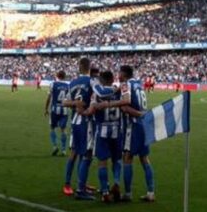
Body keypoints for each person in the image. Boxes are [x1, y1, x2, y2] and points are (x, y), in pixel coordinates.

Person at [93, 65, 152, 202]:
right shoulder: (139, 84)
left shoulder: (125, 85)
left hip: (132, 125)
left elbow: (125, 106)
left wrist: (107, 104)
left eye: (119, 73)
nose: (118, 75)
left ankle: (126, 193)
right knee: (144, 158)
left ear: (123, 74)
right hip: (144, 125)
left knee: (126, 158)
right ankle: (151, 191)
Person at [82, 70, 123, 203]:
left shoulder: (97, 93)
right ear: (112, 79)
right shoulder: (119, 91)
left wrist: (82, 112)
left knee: (102, 162)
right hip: (117, 129)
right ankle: (116, 182)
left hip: (102, 131)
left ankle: (105, 191)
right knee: (117, 160)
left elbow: (91, 110)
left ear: (102, 80)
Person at [61, 57, 95, 200]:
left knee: (75, 153)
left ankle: (70, 184)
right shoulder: (92, 82)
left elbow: (64, 102)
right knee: (85, 154)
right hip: (87, 121)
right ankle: (80, 187)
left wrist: (75, 103)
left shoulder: (73, 82)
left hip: (75, 121)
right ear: (89, 67)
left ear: (80, 67)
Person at [43, 70, 69, 156]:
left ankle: (54, 146)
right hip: (64, 109)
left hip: (54, 109)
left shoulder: (53, 84)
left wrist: (46, 109)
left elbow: (49, 97)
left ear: (57, 75)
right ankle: (64, 150)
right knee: (63, 129)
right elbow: (69, 99)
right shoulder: (68, 86)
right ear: (65, 76)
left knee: (52, 127)